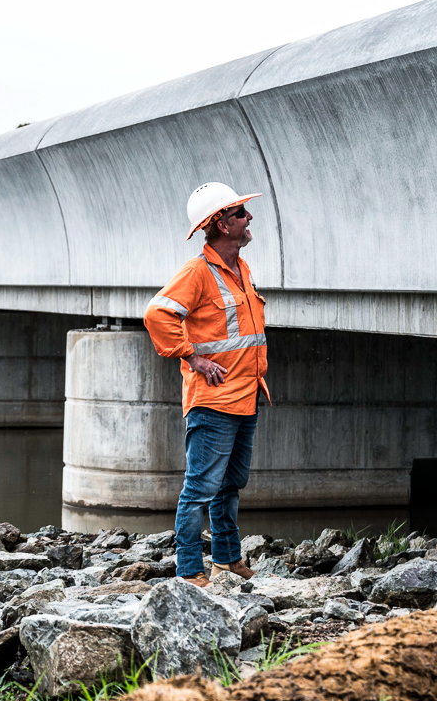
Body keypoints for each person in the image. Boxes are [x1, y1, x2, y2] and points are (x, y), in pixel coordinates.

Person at [143, 182, 270, 587]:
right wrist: (192, 356)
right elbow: (157, 314)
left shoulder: (239, 268)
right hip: (214, 401)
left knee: (230, 485)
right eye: (239, 214)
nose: (248, 218)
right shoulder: (197, 272)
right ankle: (189, 571)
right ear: (220, 224)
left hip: (246, 394)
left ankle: (228, 560)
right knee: (199, 488)